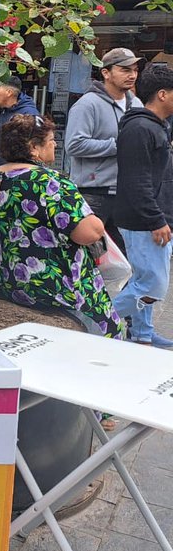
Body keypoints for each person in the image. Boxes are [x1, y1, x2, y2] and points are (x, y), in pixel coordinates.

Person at [0, 114, 122, 337]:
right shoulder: (50, 182)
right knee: (111, 329)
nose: (55, 145)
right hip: (55, 289)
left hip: (9, 283)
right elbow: (89, 233)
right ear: (34, 148)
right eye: (51, 140)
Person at [114, 63, 173, 347]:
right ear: (162, 94)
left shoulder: (154, 127)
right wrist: (156, 219)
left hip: (149, 216)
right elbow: (136, 180)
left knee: (143, 278)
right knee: (153, 284)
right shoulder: (140, 128)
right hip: (142, 220)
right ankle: (94, 319)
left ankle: (142, 333)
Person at [64, 47, 139, 253]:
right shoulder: (88, 105)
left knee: (123, 259)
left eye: (134, 69)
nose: (131, 75)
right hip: (93, 192)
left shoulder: (136, 104)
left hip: (126, 192)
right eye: (124, 70)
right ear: (106, 73)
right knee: (88, 255)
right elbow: (74, 144)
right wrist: (119, 145)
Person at [0, 75, 40, 172]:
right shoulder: (0, 111)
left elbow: (34, 146)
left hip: (18, 174)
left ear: (9, 92)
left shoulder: (29, 114)